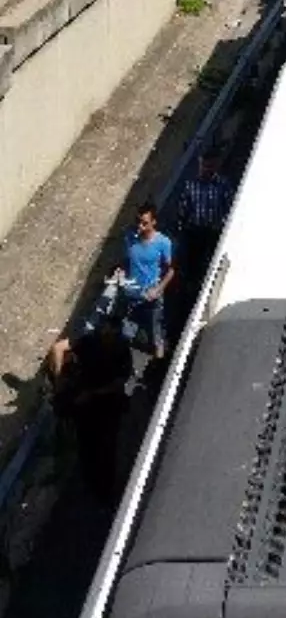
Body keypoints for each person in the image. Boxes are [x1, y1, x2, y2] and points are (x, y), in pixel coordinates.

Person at [46, 317, 132, 505]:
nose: (106, 336)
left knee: (105, 448)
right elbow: (58, 348)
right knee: (90, 446)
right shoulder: (91, 342)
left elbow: (118, 383)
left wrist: (89, 393)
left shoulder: (118, 349)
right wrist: (60, 381)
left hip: (105, 405)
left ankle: (103, 490)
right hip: (88, 405)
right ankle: (94, 485)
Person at [114, 204, 174, 360]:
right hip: (131, 294)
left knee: (155, 334)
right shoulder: (129, 238)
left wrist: (158, 289)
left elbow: (170, 270)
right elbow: (126, 261)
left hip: (151, 296)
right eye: (138, 221)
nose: (139, 226)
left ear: (154, 222)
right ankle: (124, 369)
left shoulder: (163, 243)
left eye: (144, 223)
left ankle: (158, 366)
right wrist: (120, 273)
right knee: (126, 334)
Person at [177, 153, 234, 295]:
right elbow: (184, 208)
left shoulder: (223, 184)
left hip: (214, 232)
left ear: (215, 167)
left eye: (209, 166)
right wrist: (182, 226)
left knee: (212, 262)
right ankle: (192, 289)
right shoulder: (191, 185)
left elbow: (229, 207)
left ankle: (211, 287)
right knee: (193, 263)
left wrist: (222, 224)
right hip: (195, 231)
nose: (205, 169)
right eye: (203, 166)